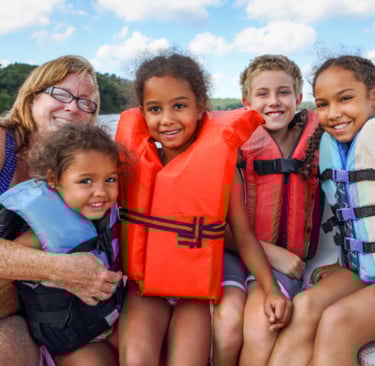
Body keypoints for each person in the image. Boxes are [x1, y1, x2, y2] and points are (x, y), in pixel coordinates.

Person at [115, 51, 292, 366]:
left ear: (200, 107)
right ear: (142, 112)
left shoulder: (222, 168)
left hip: (192, 294)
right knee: (136, 360)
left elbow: (244, 236)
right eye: (155, 109)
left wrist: (271, 289)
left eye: (179, 106)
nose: (167, 119)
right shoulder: (129, 163)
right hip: (142, 290)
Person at [0, 55, 122, 366]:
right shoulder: (2, 143)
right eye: (61, 94)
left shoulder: (85, 168)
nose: (73, 107)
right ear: (31, 96)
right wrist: (61, 270)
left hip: (29, 311)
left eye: (86, 102)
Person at [213, 54, 322, 366]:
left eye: (283, 92)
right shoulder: (229, 146)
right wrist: (270, 253)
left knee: (261, 325)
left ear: (299, 98)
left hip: (283, 267)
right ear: (246, 101)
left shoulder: (318, 141)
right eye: (262, 94)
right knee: (228, 322)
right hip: (234, 255)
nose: (274, 102)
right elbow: (209, 225)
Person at [268, 55, 375, 366]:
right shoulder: (336, 149)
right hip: (363, 272)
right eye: (323, 104)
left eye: (346, 99)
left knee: (337, 321)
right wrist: (346, 262)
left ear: (373, 96)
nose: (334, 113)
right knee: (305, 306)